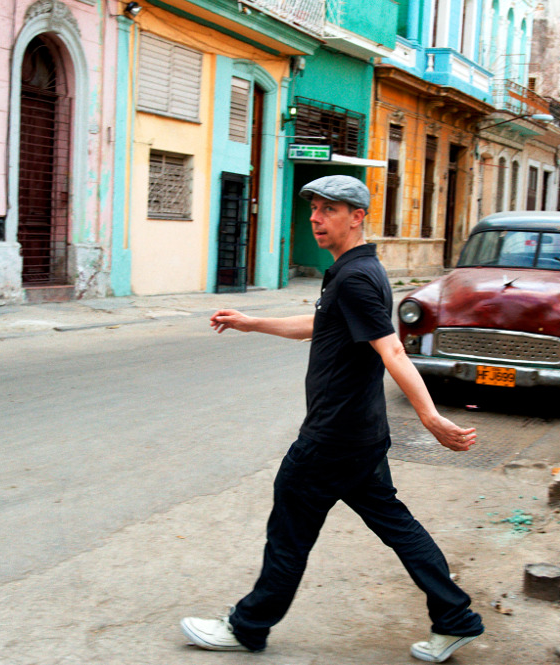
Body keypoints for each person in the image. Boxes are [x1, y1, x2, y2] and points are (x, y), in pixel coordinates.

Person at [180, 175, 484, 663]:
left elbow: (392, 350)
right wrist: (251, 322)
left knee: (289, 528)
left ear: (357, 216)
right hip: (360, 436)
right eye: (314, 209)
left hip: (332, 438)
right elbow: (320, 326)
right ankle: (455, 619)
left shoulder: (357, 278)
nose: (315, 218)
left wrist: (430, 417)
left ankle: (248, 627)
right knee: (396, 525)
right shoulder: (355, 272)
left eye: (328, 210)